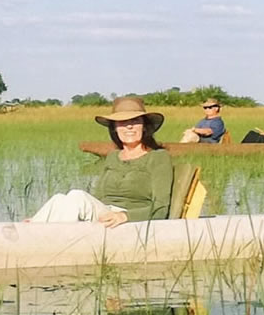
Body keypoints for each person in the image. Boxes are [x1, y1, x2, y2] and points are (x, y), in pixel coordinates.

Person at [24, 96, 174, 225]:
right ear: (115, 128)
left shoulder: (158, 157)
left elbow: (161, 207)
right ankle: (36, 227)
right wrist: (47, 217)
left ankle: (42, 234)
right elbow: (98, 198)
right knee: (59, 199)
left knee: (78, 196)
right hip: (105, 215)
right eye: (122, 122)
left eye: (135, 121)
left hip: (129, 222)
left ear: (144, 127)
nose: (129, 126)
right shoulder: (113, 157)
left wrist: (125, 216)